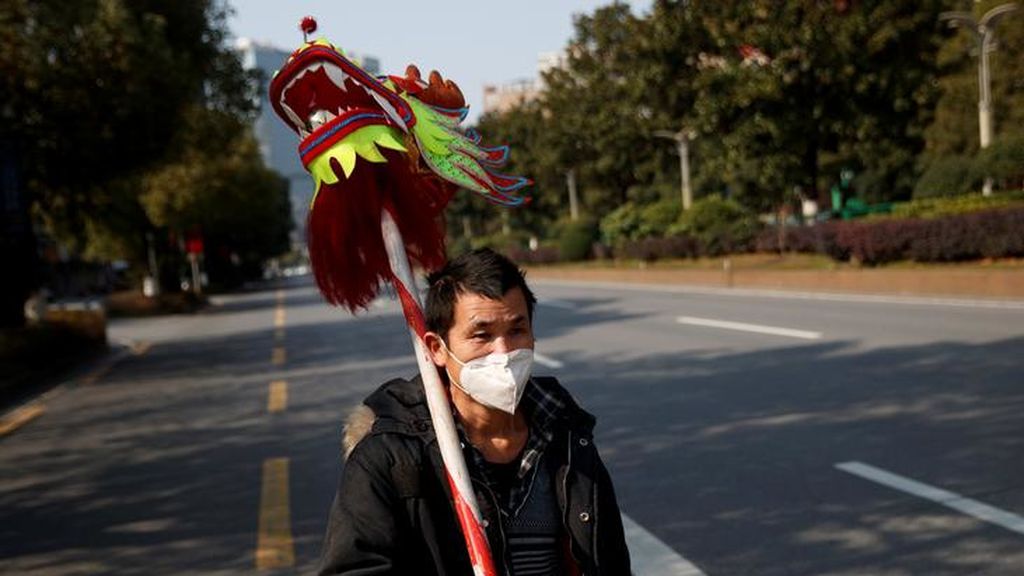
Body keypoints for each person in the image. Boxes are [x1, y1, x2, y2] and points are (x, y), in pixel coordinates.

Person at [318, 248, 631, 575]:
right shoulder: (391, 454)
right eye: (482, 335)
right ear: (437, 349)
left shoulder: (568, 435)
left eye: (516, 331)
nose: (504, 352)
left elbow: (610, 559)